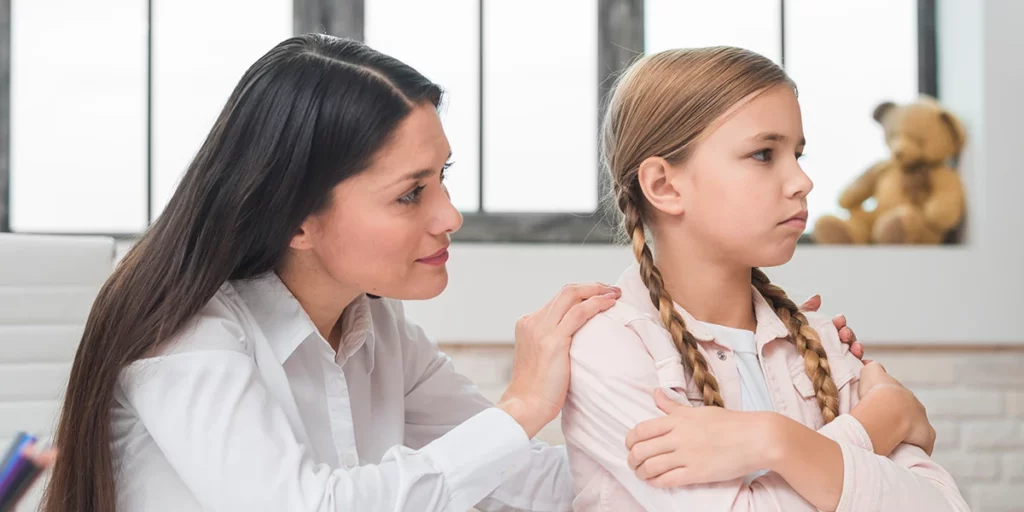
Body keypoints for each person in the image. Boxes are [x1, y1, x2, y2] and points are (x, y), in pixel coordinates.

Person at [43, 35, 860, 511]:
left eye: (444, 177)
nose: (449, 216)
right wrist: (522, 406)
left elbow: (526, 484)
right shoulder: (189, 339)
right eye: (411, 193)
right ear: (295, 216)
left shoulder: (374, 330)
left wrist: (778, 439)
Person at [560, 46, 969, 511]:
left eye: (797, 153)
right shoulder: (610, 346)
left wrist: (772, 441)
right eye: (763, 154)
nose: (802, 181)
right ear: (664, 186)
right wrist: (872, 426)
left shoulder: (817, 340)